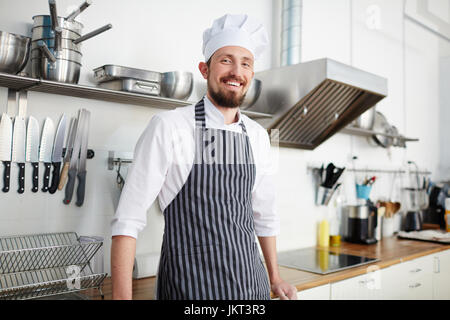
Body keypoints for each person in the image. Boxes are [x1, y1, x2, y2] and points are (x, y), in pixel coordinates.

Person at [110, 13, 297, 300]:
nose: (236, 71)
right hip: (190, 290)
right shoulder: (170, 127)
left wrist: (276, 278)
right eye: (226, 60)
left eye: (245, 63)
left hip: (251, 289)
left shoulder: (258, 136)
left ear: (251, 75)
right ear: (204, 69)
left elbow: (265, 216)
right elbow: (127, 220)